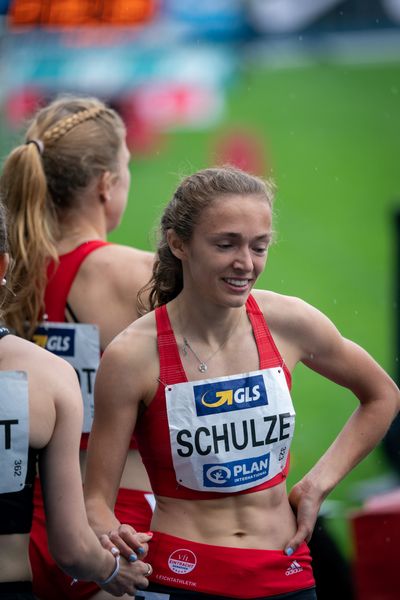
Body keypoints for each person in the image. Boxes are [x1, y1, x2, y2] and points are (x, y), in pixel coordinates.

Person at [84, 165, 400, 599]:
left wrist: (316, 484)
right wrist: (110, 546)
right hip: (184, 574)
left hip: (283, 570)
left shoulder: (288, 321)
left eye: (259, 246)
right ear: (179, 244)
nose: (245, 264)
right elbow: (95, 501)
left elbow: (382, 395)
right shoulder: (131, 355)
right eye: (225, 244)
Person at [0, 95, 154, 600]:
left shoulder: (12, 268)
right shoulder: (140, 275)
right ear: (108, 184)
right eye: (127, 165)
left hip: (25, 522)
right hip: (121, 523)